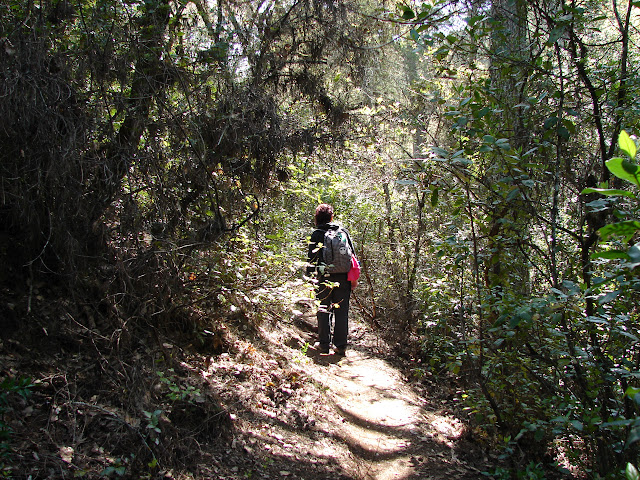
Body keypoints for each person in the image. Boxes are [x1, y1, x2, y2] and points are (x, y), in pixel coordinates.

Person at [306, 203, 356, 356]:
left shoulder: (316, 234)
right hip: (343, 278)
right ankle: (340, 346)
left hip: (323, 277)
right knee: (341, 312)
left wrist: (309, 278)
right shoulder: (343, 232)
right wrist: (353, 278)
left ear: (317, 218)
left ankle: (324, 344)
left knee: (323, 310)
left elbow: (312, 259)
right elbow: (352, 256)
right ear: (331, 217)